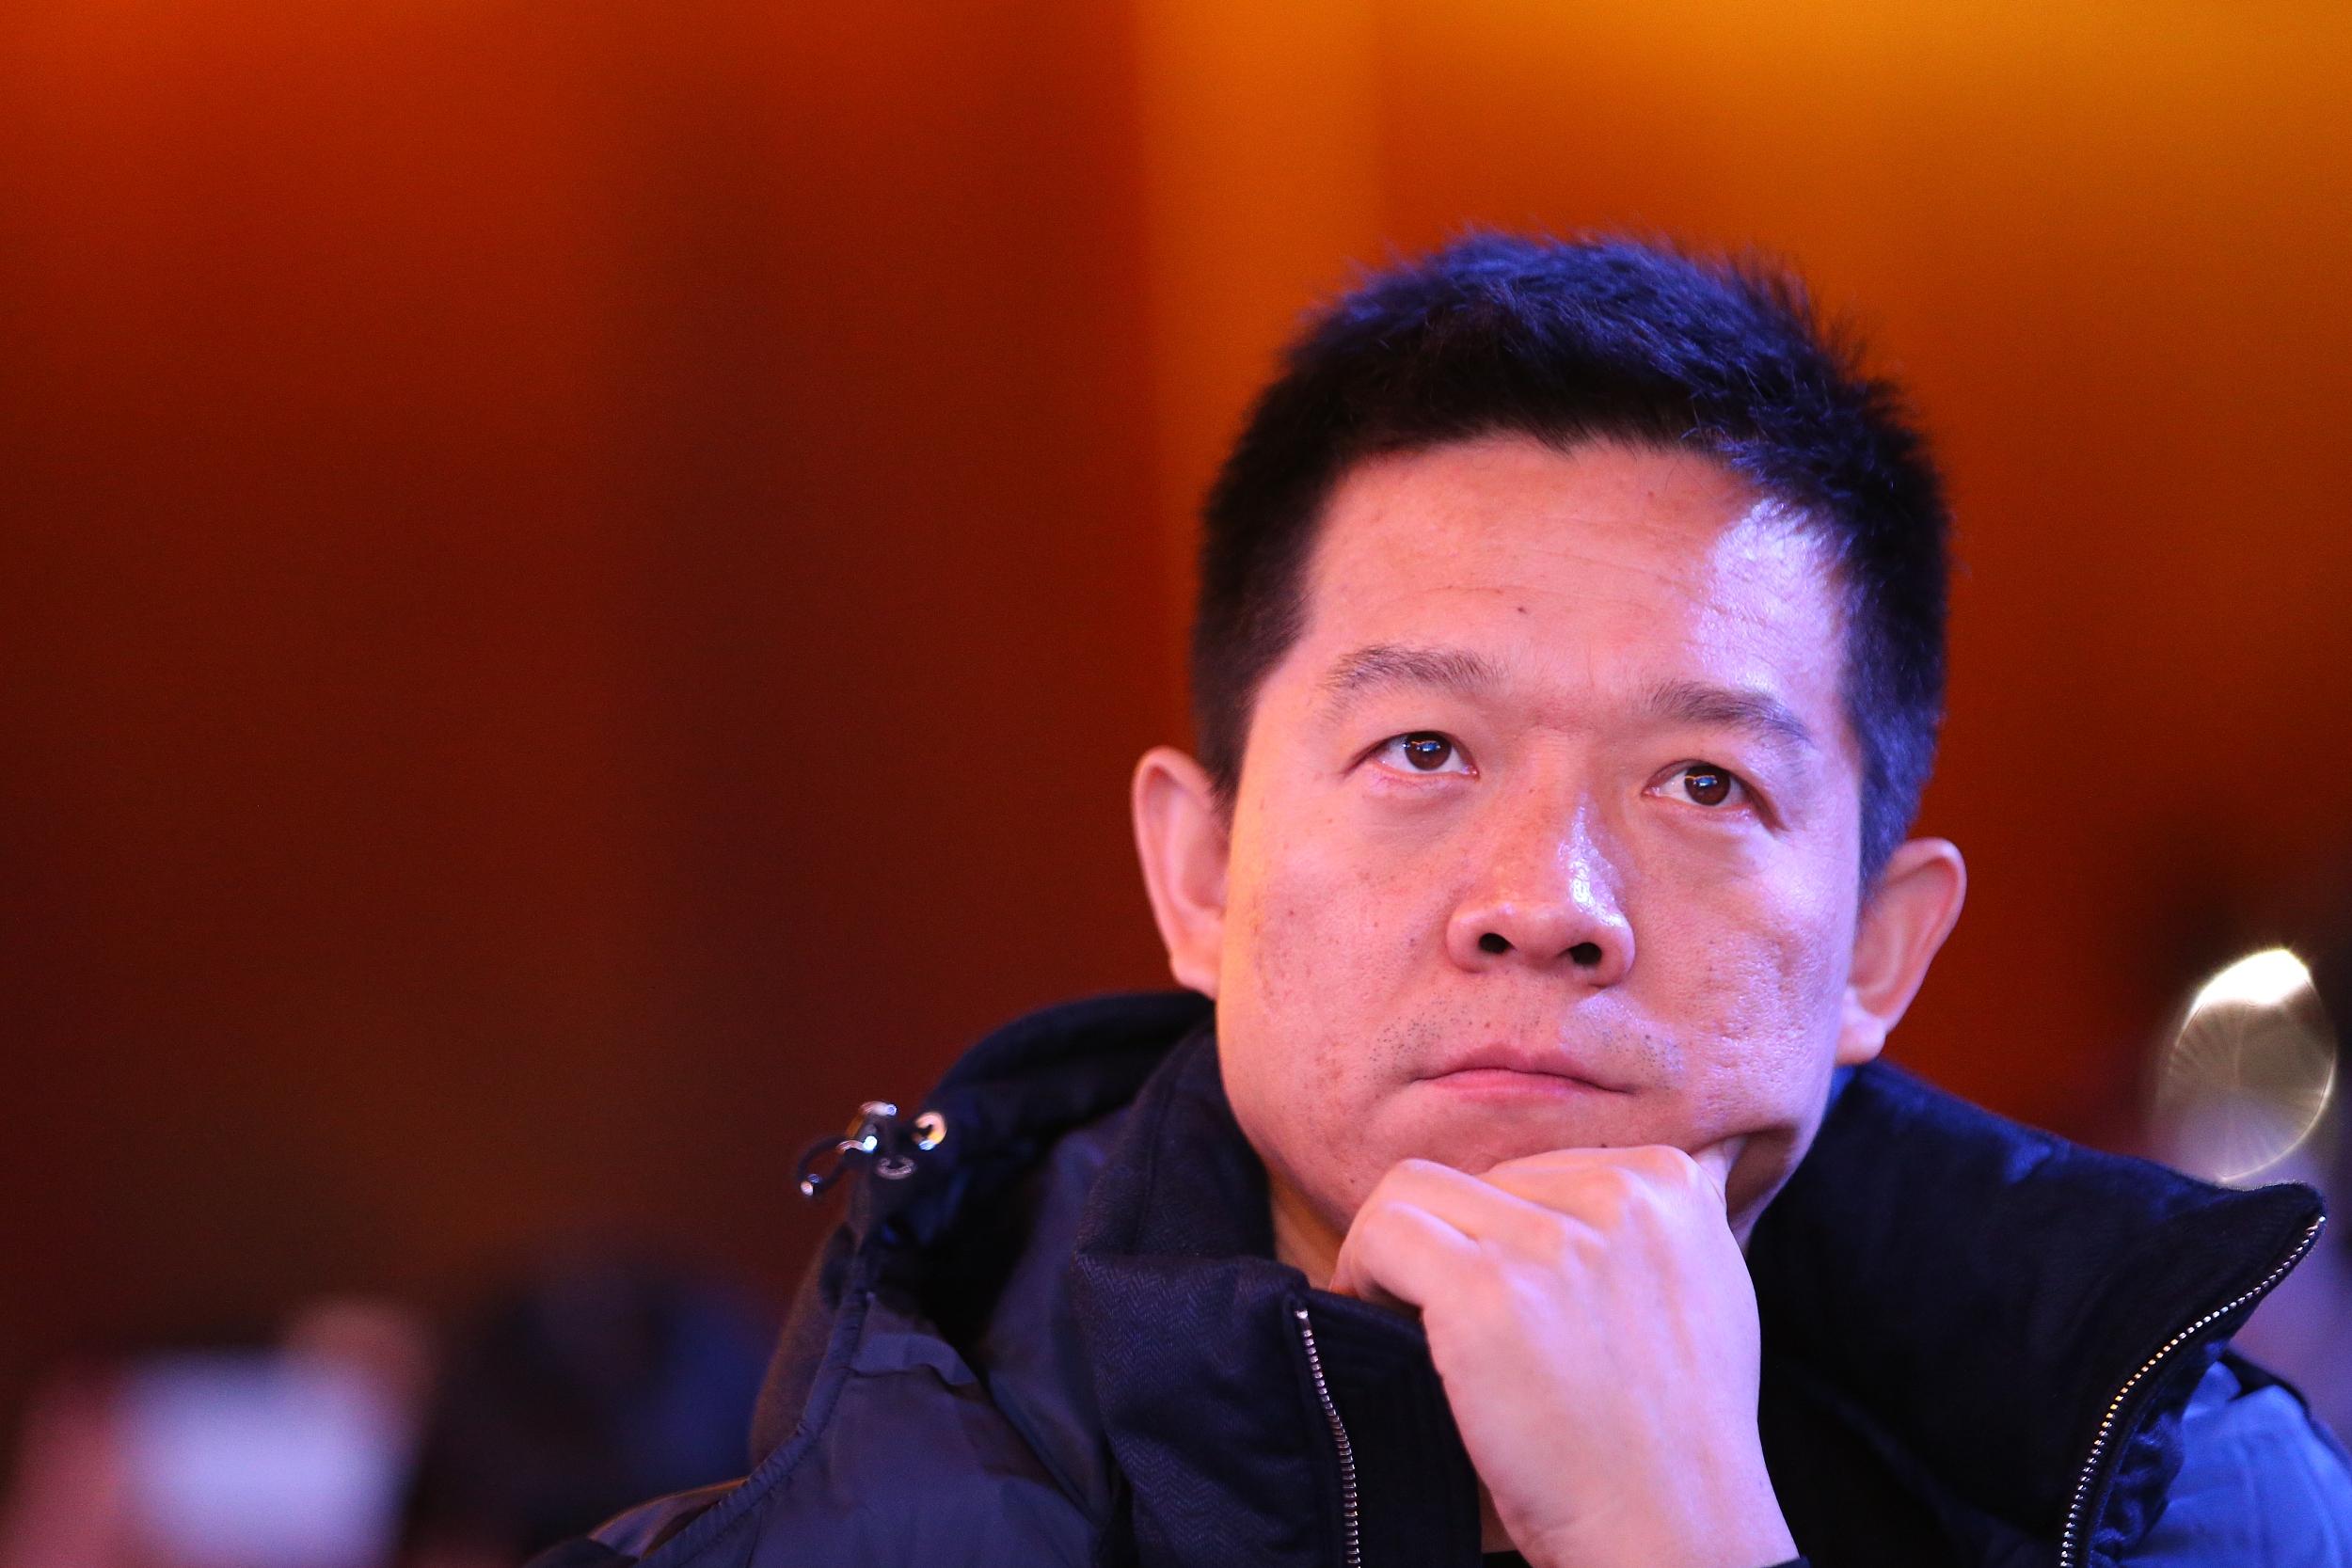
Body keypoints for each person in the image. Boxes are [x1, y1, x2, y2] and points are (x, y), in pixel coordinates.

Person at [536, 237, 2352, 1568]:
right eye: (1423, 750)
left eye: (1703, 783)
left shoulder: (2189, 1503)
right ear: (1198, 873)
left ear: (1881, 949)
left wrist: (1681, 1535)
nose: (1547, 904)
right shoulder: (842, 1526)